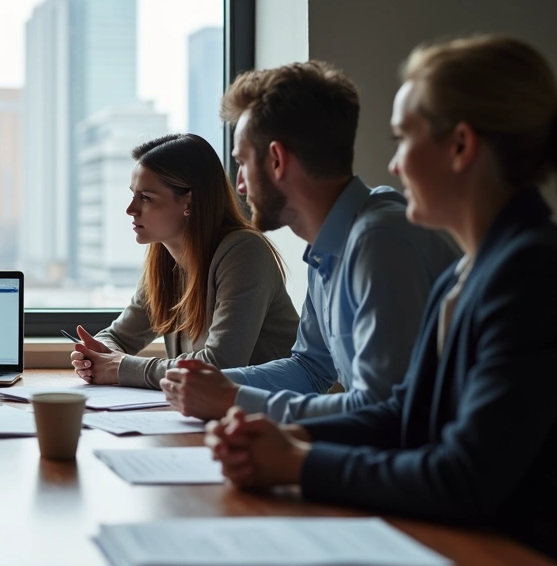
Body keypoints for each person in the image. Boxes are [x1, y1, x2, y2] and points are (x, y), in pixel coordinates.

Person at [206, 35, 557, 559]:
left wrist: (298, 463)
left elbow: (462, 478)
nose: (391, 166)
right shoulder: (467, 271)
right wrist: (291, 436)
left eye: (402, 138)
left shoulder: (528, 275)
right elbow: (401, 411)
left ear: (460, 146)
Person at [159, 61, 459, 422]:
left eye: (242, 163)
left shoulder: (379, 243)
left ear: (276, 160)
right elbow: (311, 368)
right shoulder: (329, 246)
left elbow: (382, 409)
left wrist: (232, 400)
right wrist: (212, 383)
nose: (239, 185)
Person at [70, 133, 298, 389]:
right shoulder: (164, 260)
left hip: (272, 418)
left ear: (188, 202)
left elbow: (219, 366)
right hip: (212, 413)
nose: (130, 209)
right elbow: (115, 337)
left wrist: (119, 367)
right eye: (133, 195)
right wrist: (98, 358)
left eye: (145, 197)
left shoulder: (244, 253)